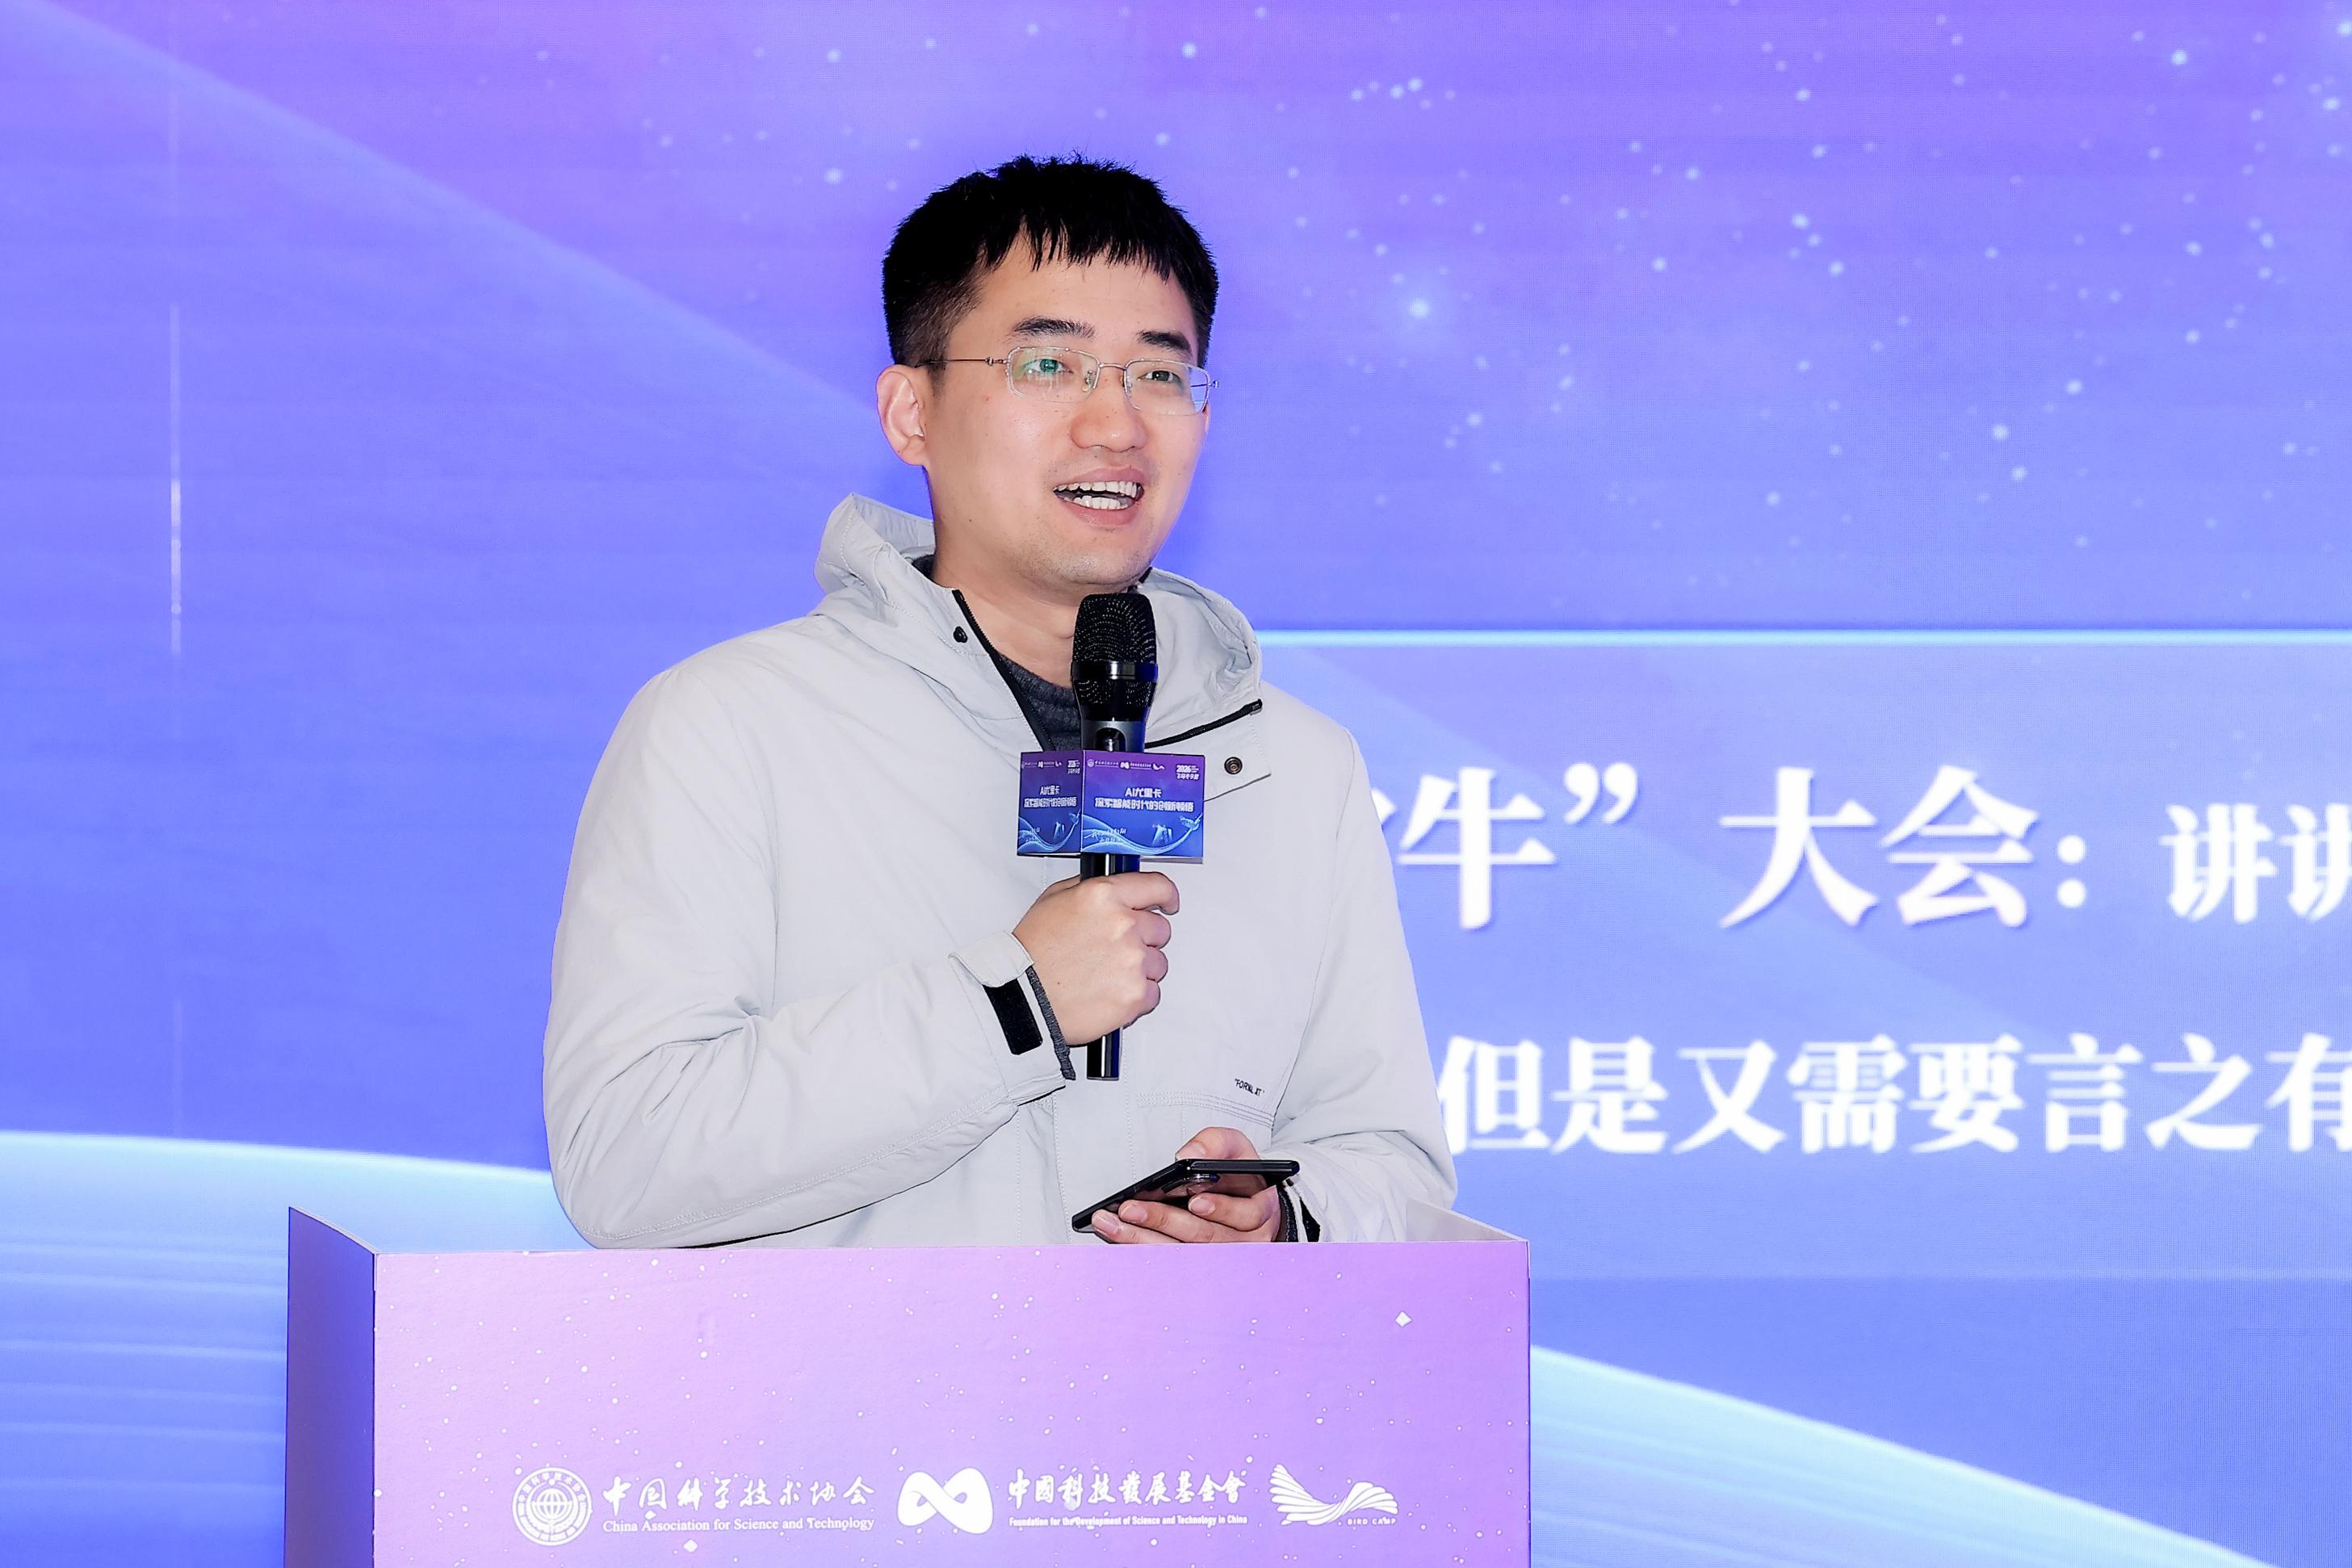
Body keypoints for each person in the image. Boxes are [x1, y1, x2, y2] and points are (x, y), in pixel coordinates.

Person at [543, 154, 1452, 1248]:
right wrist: (1015, 1008)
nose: (1115, 423)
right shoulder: (731, 726)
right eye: (1048, 364)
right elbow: (628, 1160)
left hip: (1189, 1371)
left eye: (1160, 374)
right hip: (857, 1370)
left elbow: (1390, 1164)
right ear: (910, 412)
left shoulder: (1295, 764)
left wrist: (1280, 1226)